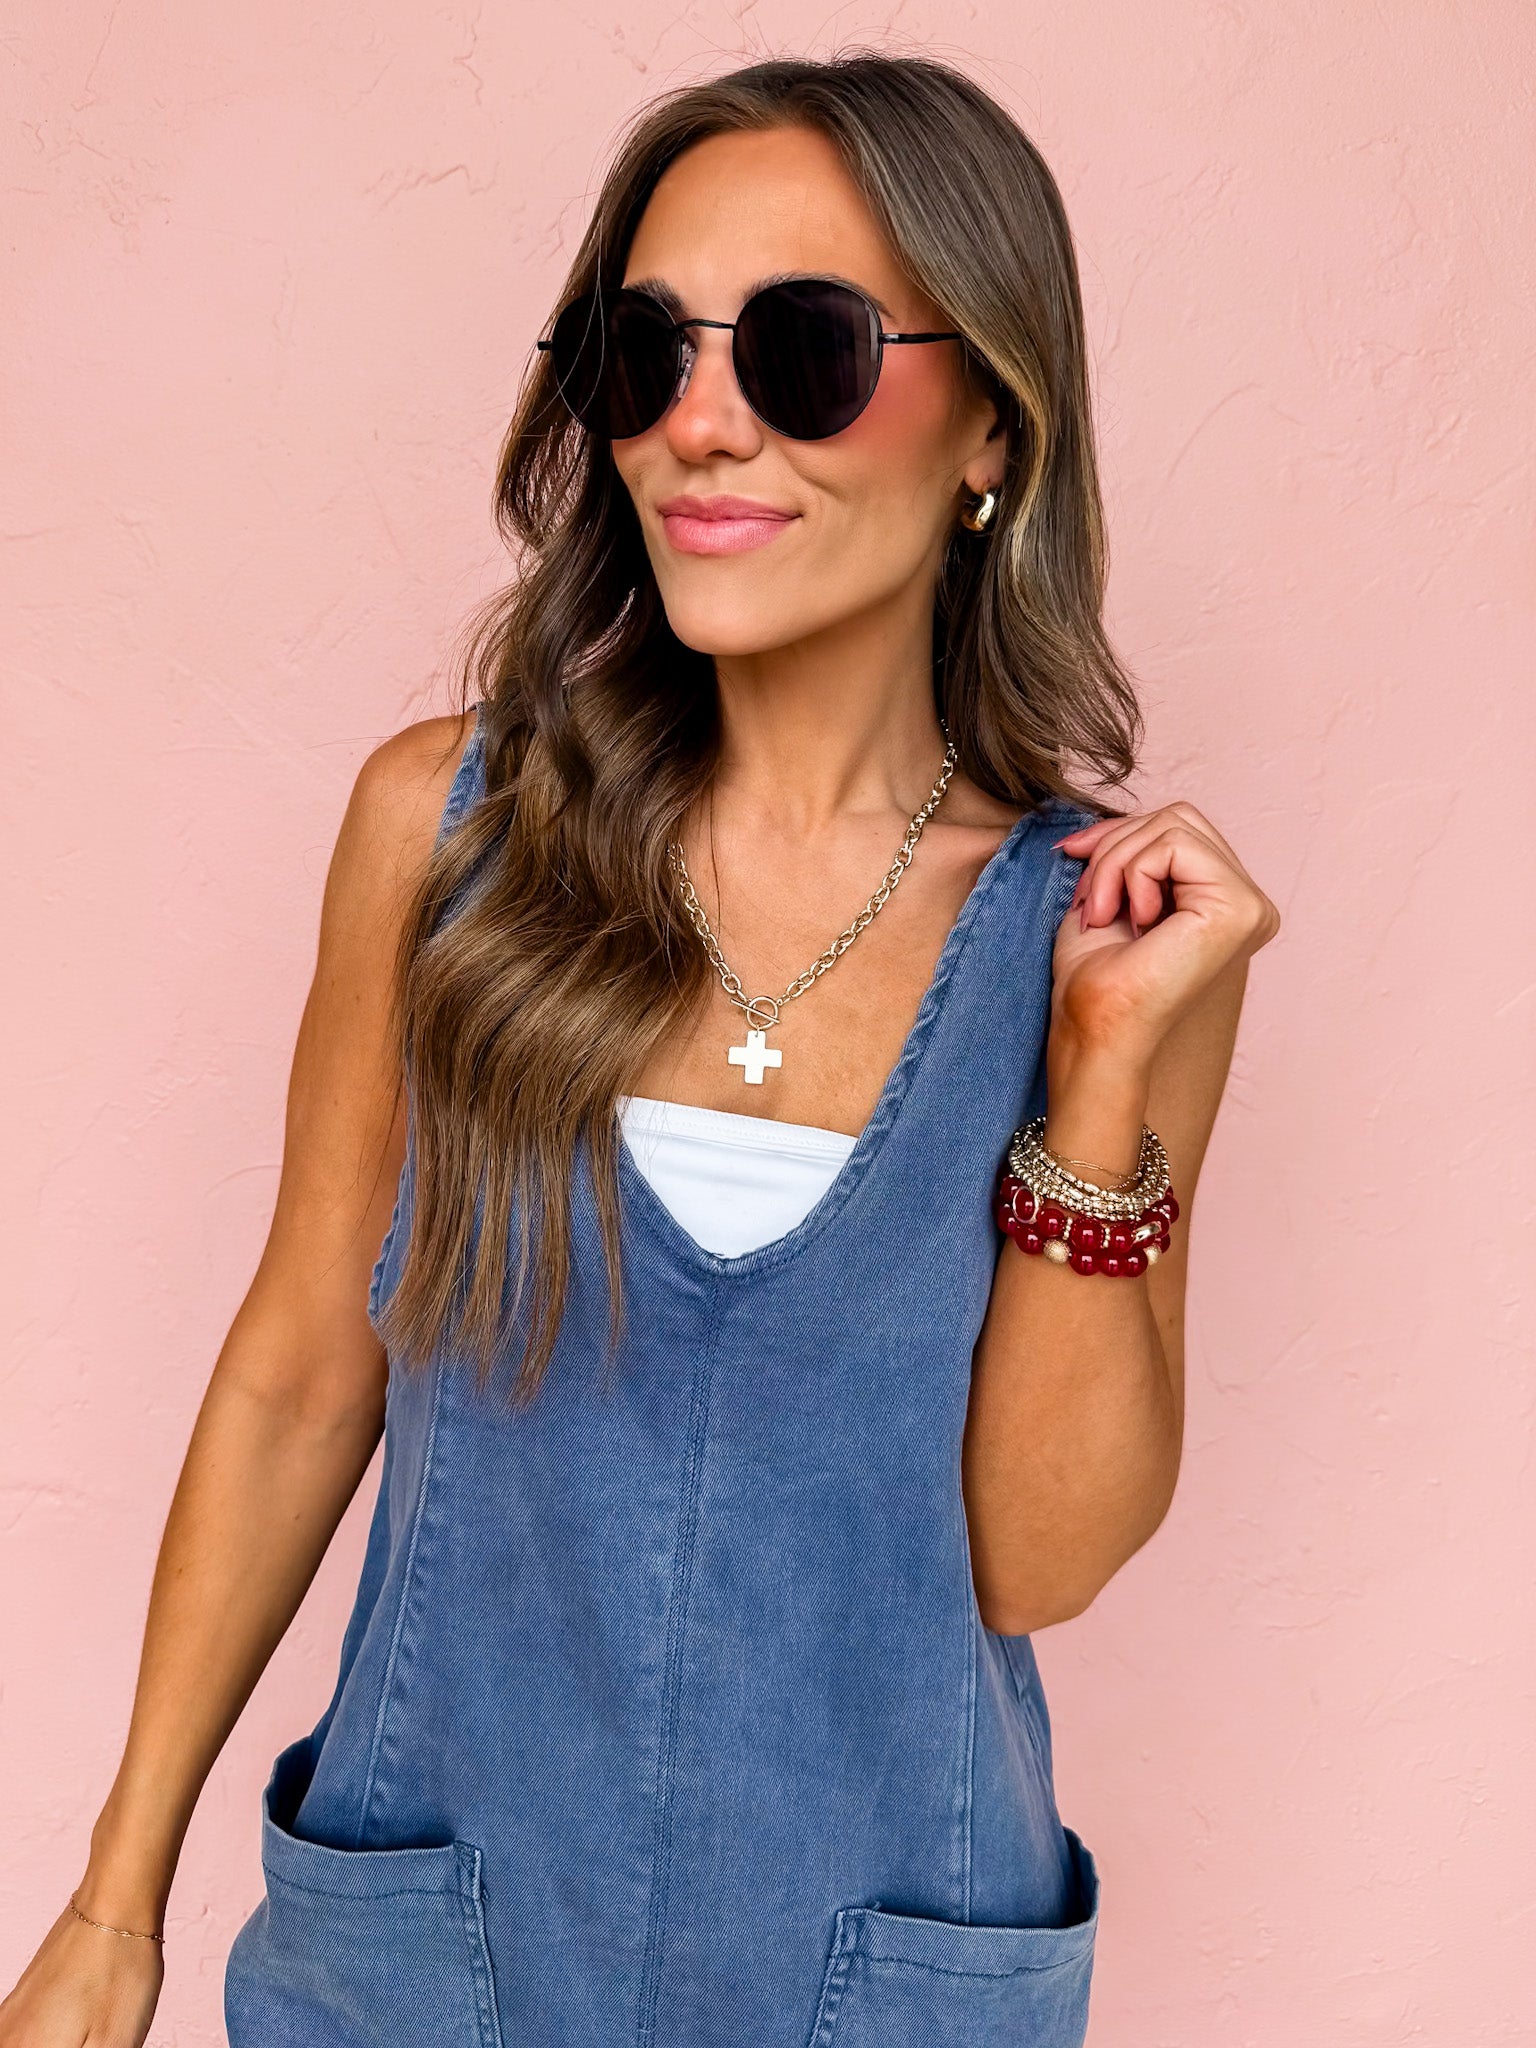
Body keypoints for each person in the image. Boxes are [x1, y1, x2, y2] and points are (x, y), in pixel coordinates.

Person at [0, 51, 1279, 2048]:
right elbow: (299, 1372)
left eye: (805, 351)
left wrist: (1100, 1085)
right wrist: (113, 1897)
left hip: (880, 1973)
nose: (700, 420)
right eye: (641, 350)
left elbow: (1038, 1558)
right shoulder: (446, 836)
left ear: (993, 424)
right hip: (425, 1958)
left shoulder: (1106, 939)